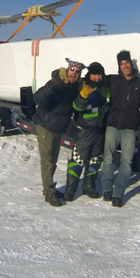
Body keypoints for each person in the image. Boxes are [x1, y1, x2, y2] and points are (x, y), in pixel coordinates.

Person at [99, 50, 140, 207]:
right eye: (122, 64)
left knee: (126, 162)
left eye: (127, 63)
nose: (125, 66)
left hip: (130, 128)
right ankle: (107, 188)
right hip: (112, 126)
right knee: (108, 159)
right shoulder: (114, 80)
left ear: (131, 64)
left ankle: (118, 192)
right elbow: (97, 79)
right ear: (119, 66)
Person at [32, 59, 82, 207]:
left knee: (53, 161)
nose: (74, 74)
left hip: (58, 128)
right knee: (47, 161)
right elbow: (38, 98)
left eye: (77, 72)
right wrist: (53, 84)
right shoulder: (57, 82)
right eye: (72, 70)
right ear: (67, 70)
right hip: (45, 126)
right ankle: (49, 192)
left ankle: (50, 187)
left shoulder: (74, 88)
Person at [64, 62, 109, 202]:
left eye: (99, 74)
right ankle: (70, 191)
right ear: (90, 75)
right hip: (84, 132)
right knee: (77, 162)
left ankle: (89, 187)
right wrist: (83, 96)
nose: (97, 77)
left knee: (94, 162)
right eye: (94, 74)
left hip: (99, 132)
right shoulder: (82, 86)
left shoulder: (106, 89)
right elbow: (76, 108)